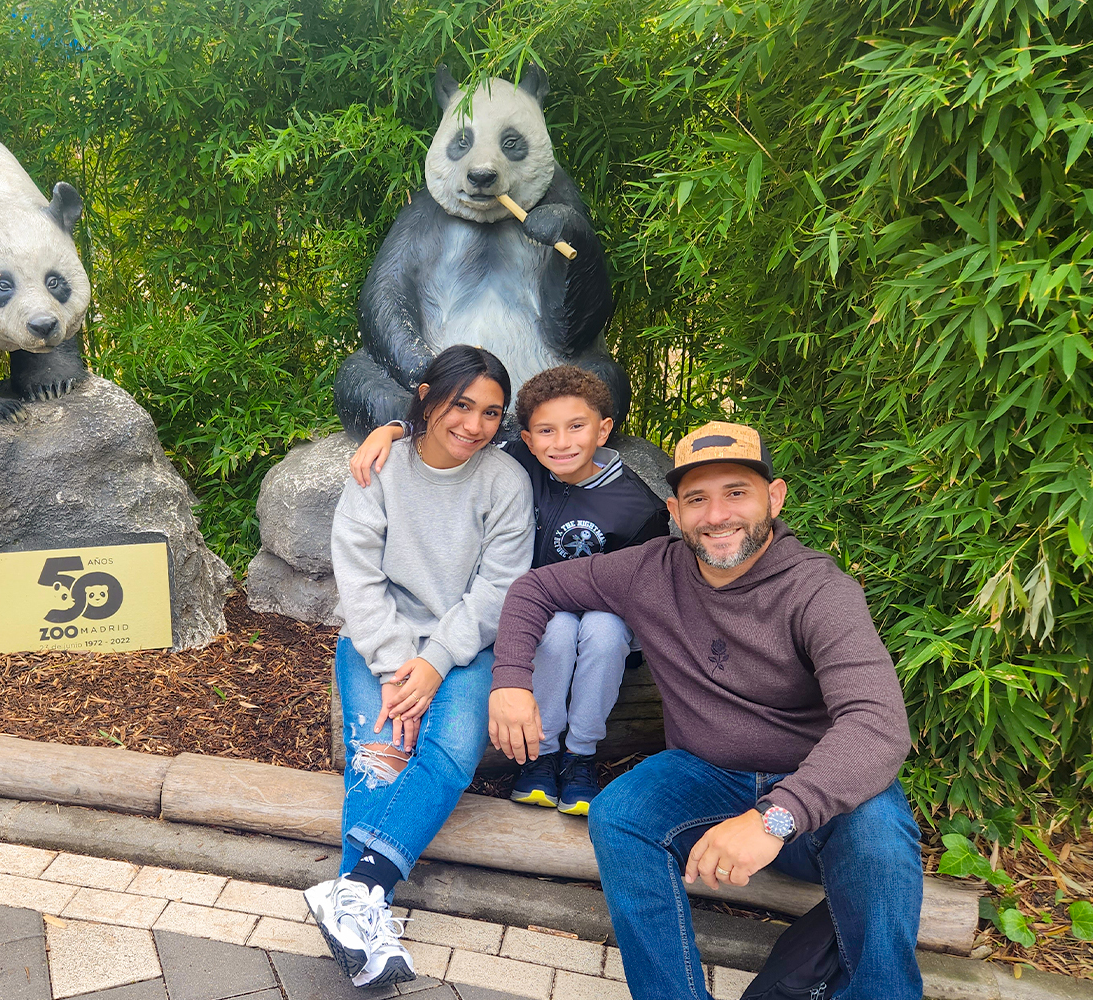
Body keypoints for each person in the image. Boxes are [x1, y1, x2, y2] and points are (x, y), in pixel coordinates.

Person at [488, 420, 922, 999]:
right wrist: (512, 682)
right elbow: (534, 589)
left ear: (776, 496)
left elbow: (877, 724)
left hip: (815, 788)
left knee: (882, 842)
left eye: (736, 492)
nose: (717, 515)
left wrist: (776, 817)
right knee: (618, 814)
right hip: (706, 774)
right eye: (697, 498)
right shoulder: (650, 569)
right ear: (674, 509)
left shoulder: (819, 590)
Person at [306, 344, 533, 989]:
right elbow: (359, 576)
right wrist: (396, 662)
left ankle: (354, 894)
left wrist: (433, 663)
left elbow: (498, 588)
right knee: (382, 750)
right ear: (429, 396)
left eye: (492, 413)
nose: (474, 425)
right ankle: (365, 907)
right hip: (379, 644)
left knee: (452, 747)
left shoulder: (504, 481)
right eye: (461, 405)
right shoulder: (380, 470)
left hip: (463, 647)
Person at [350, 366, 667, 815]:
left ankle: (580, 755)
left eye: (577, 427)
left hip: (605, 622)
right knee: (554, 629)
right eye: (546, 431)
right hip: (531, 619)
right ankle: (541, 753)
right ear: (530, 438)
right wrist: (392, 429)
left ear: (604, 429)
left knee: (603, 628)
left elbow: (641, 592)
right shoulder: (517, 461)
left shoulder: (638, 508)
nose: (562, 442)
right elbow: (451, 432)